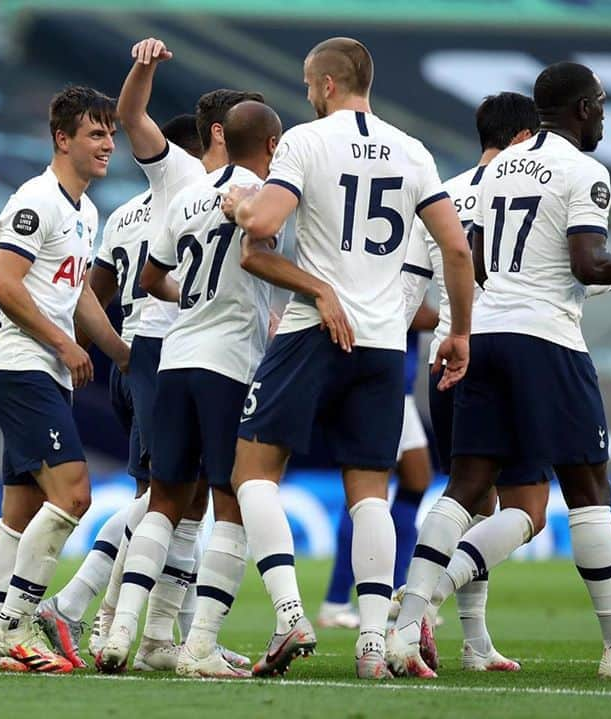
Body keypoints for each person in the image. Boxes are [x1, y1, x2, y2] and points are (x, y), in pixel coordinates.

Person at [224, 36, 474, 680]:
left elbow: (262, 223)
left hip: (313, 329)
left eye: (310, 83)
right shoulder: (415, 152)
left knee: (252, 470)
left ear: (328, 85)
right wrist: (460, 333)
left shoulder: (307, 141)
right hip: (383, 345)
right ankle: (371, 645)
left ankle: (289, 615)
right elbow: (457, 250)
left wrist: (240, 203)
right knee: (370, 493)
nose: (308, 93)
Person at [389, 62, 611, 680]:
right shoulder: (584, 170)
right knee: (587, 488)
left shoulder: (486, 175)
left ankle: (409, 618)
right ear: (580, 109)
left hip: (480, 336)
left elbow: (479, 262)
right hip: (545, 339)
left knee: (468, 485)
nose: (603, 116)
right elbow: (589, 263)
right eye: (599, 106)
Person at [86, 37, 261, 673]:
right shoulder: (186, 174)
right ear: (224, 131)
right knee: (203, 495)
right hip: (175, 348)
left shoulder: (217, 190)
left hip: (171, 345)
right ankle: (103, 613)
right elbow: (133, 117)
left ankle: (144, 634)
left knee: (172, 500)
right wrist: (141, 67)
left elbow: (142, 278)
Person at [0, 85, 130, 673]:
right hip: (22, 368)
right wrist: (63, 343)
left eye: (111, 132)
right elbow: (2, 284)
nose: (109, 142)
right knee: (75, 496)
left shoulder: (85, 211)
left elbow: (77, 293)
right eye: (96, 133)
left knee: (19, 515)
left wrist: (119, 351)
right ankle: (13, 630)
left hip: (43, 372)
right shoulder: (35, 200)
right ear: (63, 139)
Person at [35, 113, 203, 670]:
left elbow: (95, 292)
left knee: (162, 500)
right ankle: (77, 602)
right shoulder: (194, 201)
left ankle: (132, 625)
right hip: (165, 359)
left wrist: (96, 356)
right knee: (167, 500)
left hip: (128, 362)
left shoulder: (125, 212)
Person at [398, 91, 549, 673]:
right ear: (521, 138)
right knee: (527, 507)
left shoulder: (445, 196)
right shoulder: (536, 186)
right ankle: (420, 602)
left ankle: (475, 642)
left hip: (447, 361)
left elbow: (410, 294)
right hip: (518, 354)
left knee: (471, 495)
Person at [318, 319, 438, 630]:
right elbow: (405, 306)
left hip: (402, 391)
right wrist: (456, 311)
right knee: (369, 492)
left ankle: (396, 590)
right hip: (382, 383)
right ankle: (336, 601)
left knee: (417, 479)